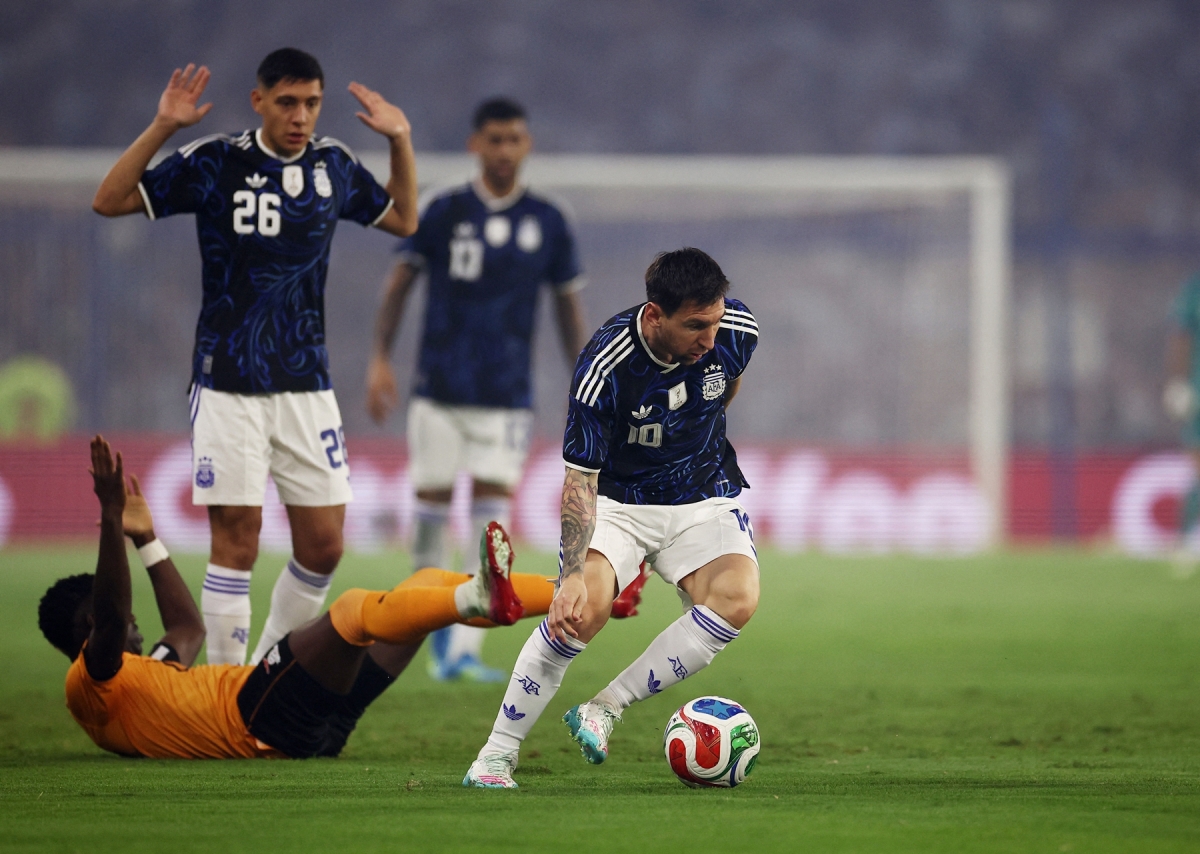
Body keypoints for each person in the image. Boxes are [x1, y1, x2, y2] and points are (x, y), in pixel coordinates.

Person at [92, 48, 420, 666]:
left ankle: (266, 669)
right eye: (289, 102)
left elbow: (404, 218)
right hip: (228, 382)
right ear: (260, 101)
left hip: (306, 383)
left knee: (324, 547)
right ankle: (223, 683)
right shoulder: (217, 161)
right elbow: (109, 200)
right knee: (236, 542)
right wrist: (165, 125)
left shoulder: (334, 166)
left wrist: (400, 139)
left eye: (312, 104)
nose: (301, 116)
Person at [38, 436, 556, 760]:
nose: (134, 623)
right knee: (354, 611)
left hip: (306, 728)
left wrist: (147, 540)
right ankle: (480, 598)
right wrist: (109, 519)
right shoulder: (90, 683)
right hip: (255, 717)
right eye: (124, 620)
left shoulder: (136, 678)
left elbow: (187, 630)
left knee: (414, 597)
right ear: (88, 626)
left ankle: (570, 599)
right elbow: (110, 617)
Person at [463, 248, 760, 789]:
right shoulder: (606, 366)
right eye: (695, 326)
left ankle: (605, 706)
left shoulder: (738, 331)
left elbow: (725, 386)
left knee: (737, 599)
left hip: (701, 494)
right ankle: (495, 756)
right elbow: (580, 481)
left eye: (714, 322)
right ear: (655, 316)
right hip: (620, 503)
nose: (709, 339)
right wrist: (570, 574)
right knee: (579, 613)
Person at [366, 96, 590, 682]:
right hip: (437, 388)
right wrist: (380, 359)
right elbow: (400, 285)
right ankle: (414, 631)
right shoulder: (441, 207)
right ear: (475, 145)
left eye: (514, 139)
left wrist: (586, 381)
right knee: (431, 510)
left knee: (492, 526)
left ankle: (463, 652)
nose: (504, 150)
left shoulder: (550, 219)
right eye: (494, 139)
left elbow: (568, 309)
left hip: (505, 395)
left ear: (527, 145)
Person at [1166, 271, 1200, 565]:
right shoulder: (1194, 292)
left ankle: (1183, 539)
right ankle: (1183, 538)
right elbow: (1180, 338)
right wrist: (1179, 382)